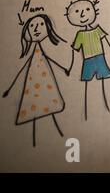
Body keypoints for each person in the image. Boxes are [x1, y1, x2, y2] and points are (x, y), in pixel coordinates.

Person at [2, 14, 68, 147]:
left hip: (44, 80)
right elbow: (24, 67)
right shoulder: (34, 54)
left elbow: (49, 59)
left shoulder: (41, 52)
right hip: (33, 81)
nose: (36, 28)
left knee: (51, 104)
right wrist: (10, 88)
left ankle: (56, 133)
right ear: (27, 31)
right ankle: (35, 141)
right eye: (32, 26)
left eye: (41, 25)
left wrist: (63, 68)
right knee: (34, 107)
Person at [65, 0, 110, 120]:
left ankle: (105, 109)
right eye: (77, 12)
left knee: (102, 84)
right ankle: (87, 109)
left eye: (87, 9)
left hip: (100, 58)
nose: (83, 14)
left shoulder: (97, 30)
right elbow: (75, 51)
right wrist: (70, 67)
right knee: (87, 85)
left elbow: (108, 43)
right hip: (88, 61)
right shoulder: (80, 34)